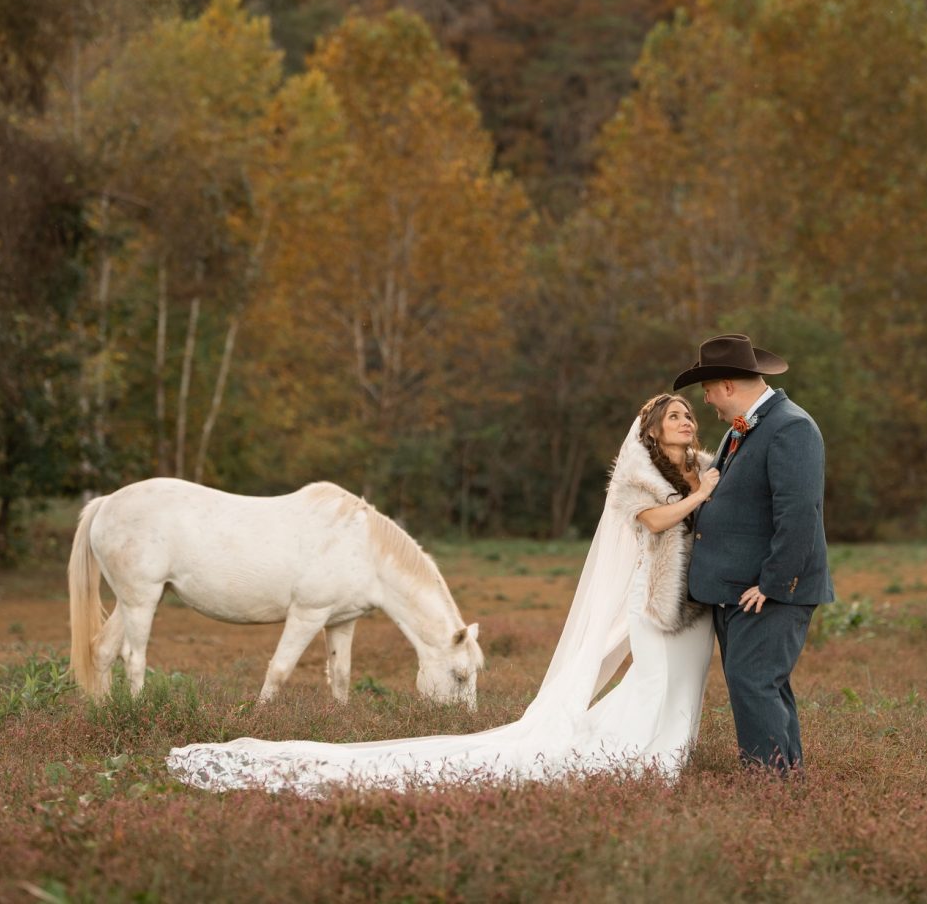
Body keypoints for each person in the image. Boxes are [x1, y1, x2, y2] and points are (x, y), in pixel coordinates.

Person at [166, 393, 720, 794]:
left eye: (689, 414)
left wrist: (706, 489)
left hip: (693, 602)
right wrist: (701, 498)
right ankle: (646, 760)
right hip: (653, 603)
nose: (687, 420)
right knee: (655, 678)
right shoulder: (637, 476)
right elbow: (653, 522)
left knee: (687, 682)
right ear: (650, 429)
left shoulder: (700, 467)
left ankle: (669, 749)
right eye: (675, 415)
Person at [673, 333, 834, 774]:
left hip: (767, 589)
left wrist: (772, 582)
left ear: (727, 385)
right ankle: (786, 780)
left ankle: (768, 786)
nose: (705, 400)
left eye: (707, 390)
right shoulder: (740, 428)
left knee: (752, 682)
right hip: (736, 587)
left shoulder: (792, 426)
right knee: (764, 684)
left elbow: (800, 512)